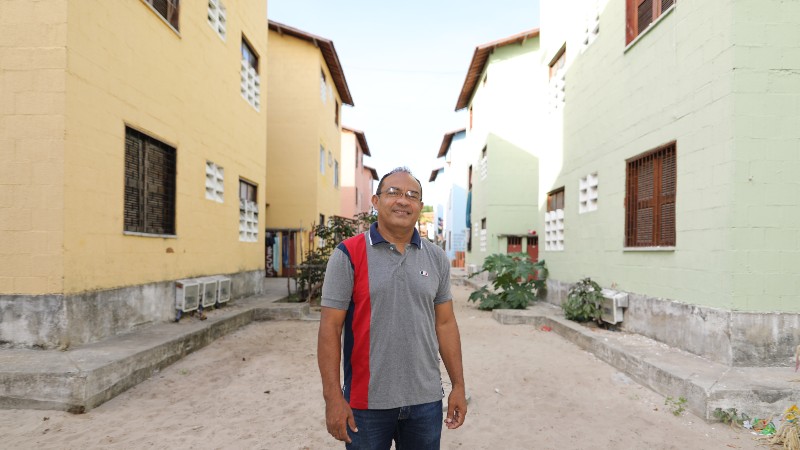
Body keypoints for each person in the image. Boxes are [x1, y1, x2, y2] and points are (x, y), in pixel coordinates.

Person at [318, 167, 467, 449]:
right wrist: (333, 398)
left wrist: (458, 385)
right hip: (366, 403)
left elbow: (445, 324)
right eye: (393, 192)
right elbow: (330, 328)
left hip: (425, 402)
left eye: (412, 195)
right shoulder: (348, 254)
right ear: (376, 202)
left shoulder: (435, 257)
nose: (403, 200)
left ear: (420, 207)